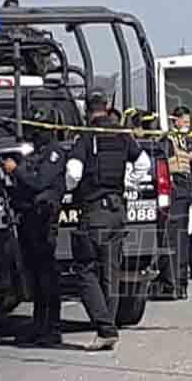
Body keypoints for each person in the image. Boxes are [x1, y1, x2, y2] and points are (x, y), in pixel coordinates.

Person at [66, 89, 150, 351]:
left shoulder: (86, 136)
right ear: (108, 106)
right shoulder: (122, 134)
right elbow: (144, 163)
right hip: (117, 212)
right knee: (111, 272)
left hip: (95, 212)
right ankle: (107, 330)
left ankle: (105, 328)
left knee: (85, 270)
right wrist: (127, 182)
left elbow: (73, 172)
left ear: (87, 111)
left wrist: (69, 189)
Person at [2, 111, 66, 346]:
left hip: (44, 219)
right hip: (30, 219)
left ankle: (52, 328)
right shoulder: (34, 154)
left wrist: (16, 170)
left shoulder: (54, 153)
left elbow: (39, 182)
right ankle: (39, 325)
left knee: (47, 276)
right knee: (35, 276)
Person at [159, 106, 192, 299]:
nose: (187, 125)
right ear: (175, 121)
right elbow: (164, 165)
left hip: (186, 191)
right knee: (174, 239)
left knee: (184, 239)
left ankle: (181, 283)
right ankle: (172, 283)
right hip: (175, 191)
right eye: (184, 121)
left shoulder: (186, 141)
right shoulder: (168, 141)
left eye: (189, 122)